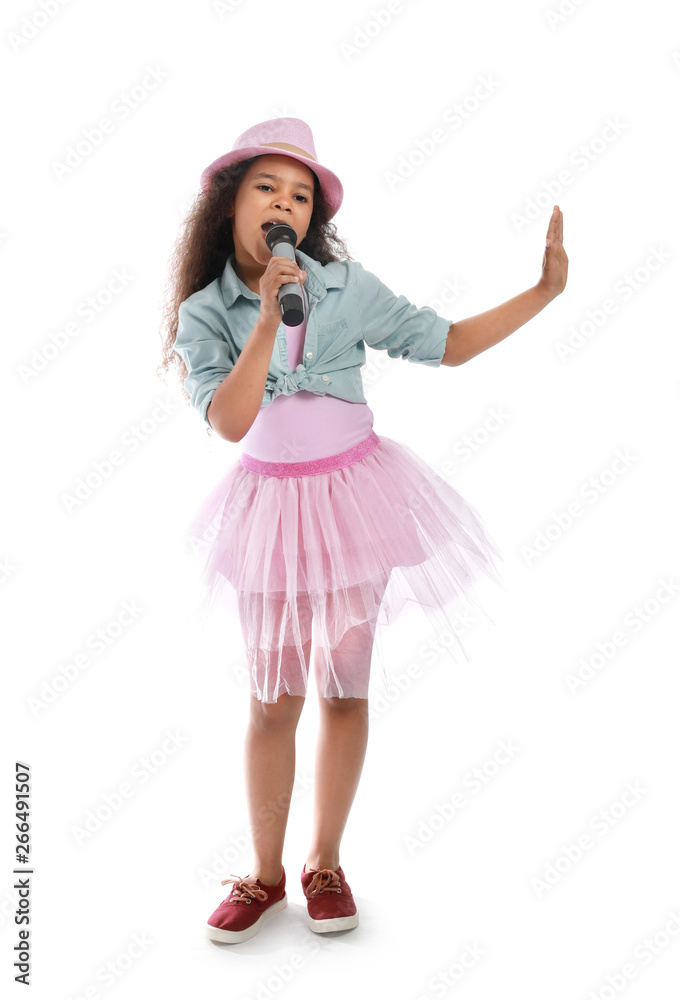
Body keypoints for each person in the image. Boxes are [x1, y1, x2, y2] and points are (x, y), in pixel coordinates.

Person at [157, 117, 568, 945]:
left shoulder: (343, 288)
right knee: (274, 702)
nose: (286, 204)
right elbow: (231, 420)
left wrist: (542, 293)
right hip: (271, 513)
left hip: (355, 504)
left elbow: (443, 343)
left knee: (345, 691)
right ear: (230, 203)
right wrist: (266, 321)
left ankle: (325, 863)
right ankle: (266, 874)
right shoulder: (207, 313)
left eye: (301, 194)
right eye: (268, 188)